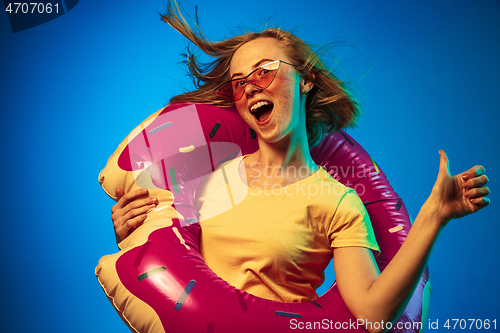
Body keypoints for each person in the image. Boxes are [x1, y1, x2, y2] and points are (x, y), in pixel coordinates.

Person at [109, 1, 490, 331]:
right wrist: (131, 229)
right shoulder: (207, 179)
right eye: (239, 82)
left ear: (305, 80)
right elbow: (168, 249)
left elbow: (372, 316)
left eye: (264, 71)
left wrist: (433, 216)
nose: (251, 87)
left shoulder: (337, 202)